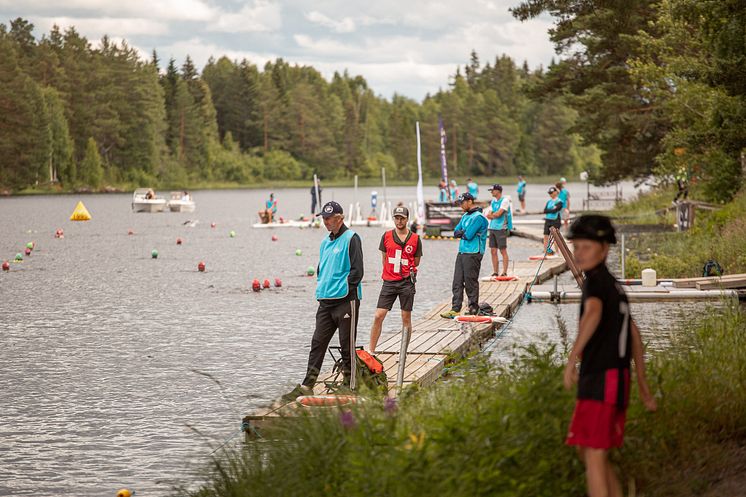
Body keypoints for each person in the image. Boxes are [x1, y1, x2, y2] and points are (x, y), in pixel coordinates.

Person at [563, 215, 657, 497]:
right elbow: (635, 334)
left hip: (602, 379)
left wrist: (571, 358)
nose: (579, 253)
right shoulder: (614, 286)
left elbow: (592, 314)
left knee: (592, 455)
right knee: (589, 451)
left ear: (604, 249)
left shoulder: (595, 284)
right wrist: (642, 384)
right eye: (576, 247)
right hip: (615, 379)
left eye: (586, 247)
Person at [282, 201, 364, 401]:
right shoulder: (325, 242)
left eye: (329, 218)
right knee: (317, 344)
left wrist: (343, 290)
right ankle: (307, 385)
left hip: (346, 301)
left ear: (340, 218)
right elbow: (322, 269)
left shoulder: (351, 238)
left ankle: (351, 386)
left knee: (347, 346)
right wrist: (323, 288)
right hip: (325, 303)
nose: (325, 222)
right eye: (324, 218)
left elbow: (357, 272)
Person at [368, 206, 422, 353]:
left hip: (406, 282)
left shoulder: (415, 239)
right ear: (394, 219)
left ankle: (403, 352)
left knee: (406, 318)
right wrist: (391, 272)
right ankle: (371, 351)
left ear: (407, 219)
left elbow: (416, 261)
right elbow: (384, 259)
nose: (399, 221)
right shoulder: (386, 236)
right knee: (379, 315)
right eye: (397, 218)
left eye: (402, 218)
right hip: (389, 282)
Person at [440, 193, 488, 318]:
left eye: (462, 202)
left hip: (473, 253)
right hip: (462, 252)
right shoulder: (465, 216)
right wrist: (462, 232)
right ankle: (455, 309)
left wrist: (462, 232)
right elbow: (455, 232)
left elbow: (468, 235)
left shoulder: (478, 217)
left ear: (470, 201)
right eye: (460, 203)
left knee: (470, 282)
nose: (461, 205)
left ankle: (473, 308)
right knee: (457, 281)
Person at [486, 184, 510, 277]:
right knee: (493, 251)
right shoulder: (493, 201)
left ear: (498, 191)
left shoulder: (505, 200)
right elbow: (489, 213)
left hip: (501, 228)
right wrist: (492, 215)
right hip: (492, 227)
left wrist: (492, 215)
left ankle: (504, 272)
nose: (491, 192)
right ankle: (495, 272)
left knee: (502, 250)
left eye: (492, 190)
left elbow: (498, 214)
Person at [543, 186, 563, 255]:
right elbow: (545, 211)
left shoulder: (559, 201)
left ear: (555, 192)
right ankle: (545, 252)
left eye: (551, 193)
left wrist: (551, 210)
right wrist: (552, 209)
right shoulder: (549, 201)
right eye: (549, 193)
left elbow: (556, 210)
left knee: (555, 237)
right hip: (548, 220)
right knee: (545, 236)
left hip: (556, 220)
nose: (550, 194)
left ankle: (557, 252)